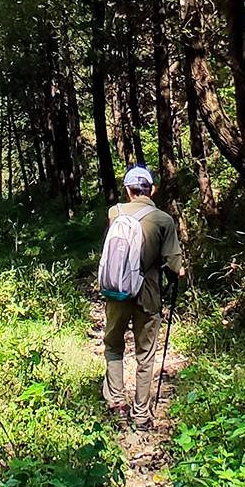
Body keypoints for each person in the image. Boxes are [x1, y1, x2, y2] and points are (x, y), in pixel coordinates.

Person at [100, 164, 183, 427]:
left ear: (127, 190)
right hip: (147, 294)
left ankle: (116, 402)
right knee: (145, 354)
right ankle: (141, 414)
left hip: (117, 291)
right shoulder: (163, 220)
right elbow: (174, 266)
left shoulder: (115, 213)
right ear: (152, 190)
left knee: (113, 345)